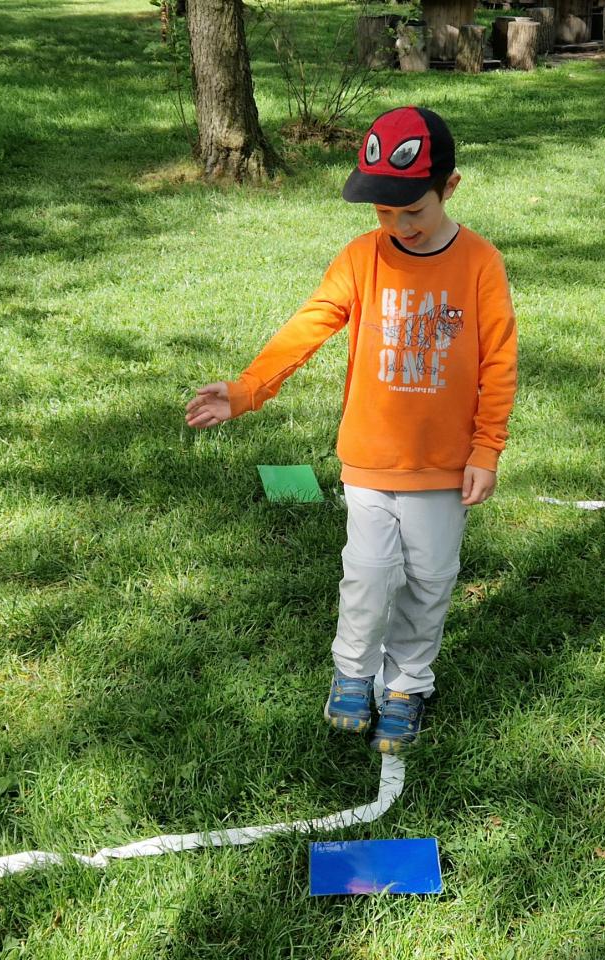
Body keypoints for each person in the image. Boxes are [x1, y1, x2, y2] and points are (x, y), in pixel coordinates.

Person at [185, 106, 518, 754]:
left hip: (443, 466)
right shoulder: (362, 258)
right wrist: (249, 388)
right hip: (369, 460)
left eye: (413, 211)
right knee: (367, 574)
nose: (398, 226)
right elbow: (309, 325)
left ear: (449, 188)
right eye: (384, 212)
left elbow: (498, 363)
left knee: (429, 581)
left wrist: (486, 448)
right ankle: (353, 673)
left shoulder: (480, 263)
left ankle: (408, 685)